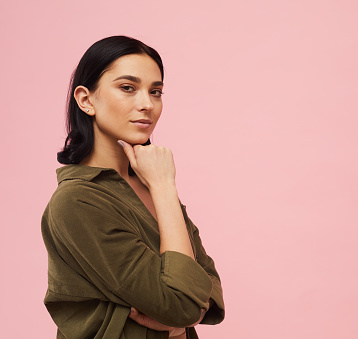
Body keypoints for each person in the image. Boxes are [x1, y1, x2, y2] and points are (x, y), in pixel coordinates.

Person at [41, 36, 225, 339]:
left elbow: (211, 289)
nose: (147, 104)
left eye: (156, 91)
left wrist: (181, 318)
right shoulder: (77, 201)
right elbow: (184, 305)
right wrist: (165, 186)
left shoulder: (150, 185)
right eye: (128, 88)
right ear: (86, 99)